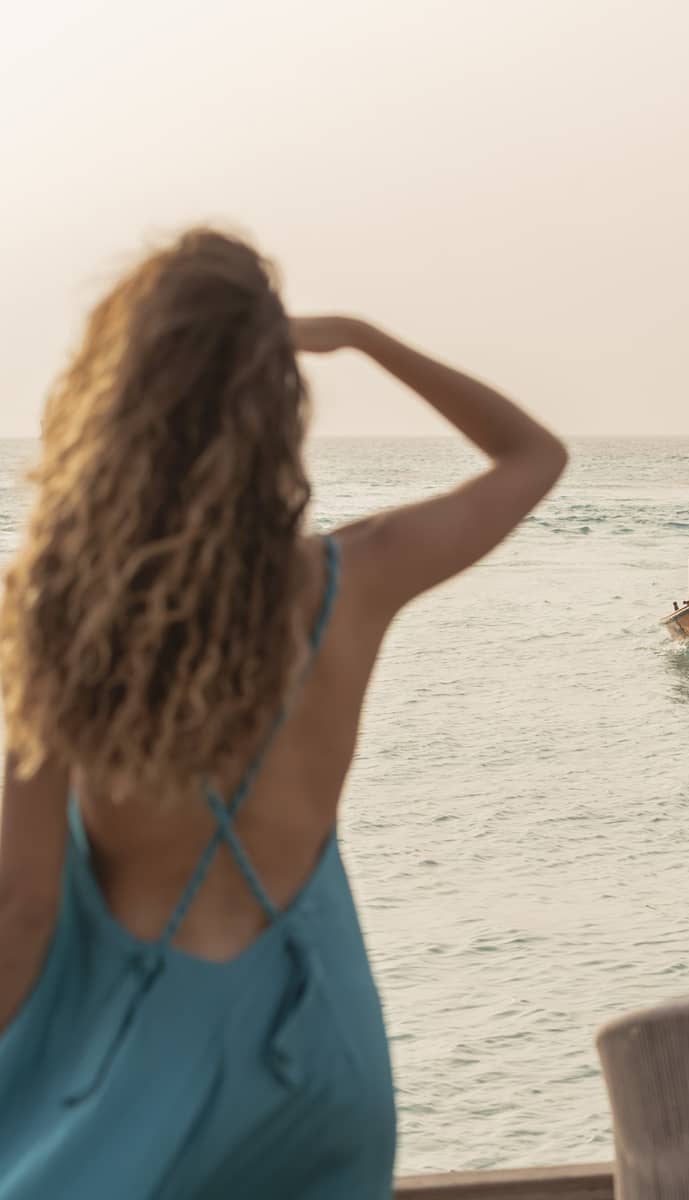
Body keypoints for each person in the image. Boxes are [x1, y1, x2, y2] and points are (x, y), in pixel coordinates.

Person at [0, 229, 567, 1199]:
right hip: (323, 1058)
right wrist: (362, 338)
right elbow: (533, 456)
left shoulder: (56, 612)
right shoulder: (356, 576)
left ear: (123, 393)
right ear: (275, 402)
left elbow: (23, 906)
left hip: (150, 1071)